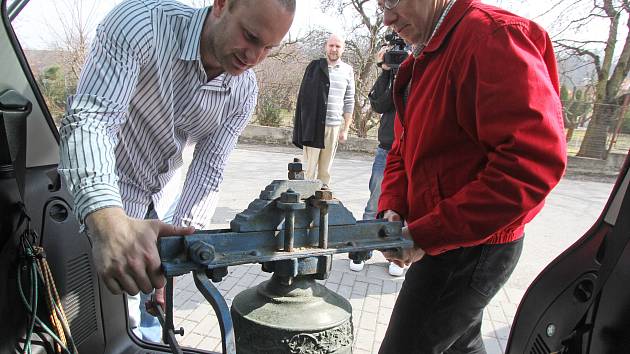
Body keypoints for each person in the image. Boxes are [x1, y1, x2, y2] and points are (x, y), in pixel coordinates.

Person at [57, 0, 295, 342]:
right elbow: (92, 121)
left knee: (148, 321)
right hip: (102, 193)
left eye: (268, 48)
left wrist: (183, 246)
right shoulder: (141, 25)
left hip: (160, 199)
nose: (254, 57)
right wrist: (106, 221)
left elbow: (209, 168)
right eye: (250, 36)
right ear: (221, 4)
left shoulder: (244, 91)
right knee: (103, 324)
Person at [376, 0, 567, 352]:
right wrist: (394, 206)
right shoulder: (428, 53)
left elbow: (530, 165)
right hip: (439, 237)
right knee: (459, 344)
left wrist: (427, 233)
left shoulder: (494, 38)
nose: (387, 19)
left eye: (393, 2)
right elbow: (403, 147)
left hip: (474, 249)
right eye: (380, 5)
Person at [349, 46, 404, 277]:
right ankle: (363, 249)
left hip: (410, 147)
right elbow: (379, 104)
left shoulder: (420, 72)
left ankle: (398, 255)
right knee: (375, 202)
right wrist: (387, 71)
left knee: (404, 205)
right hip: (386, 147)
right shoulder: (390, 74)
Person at [292, 33, 355, 187]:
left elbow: (349, 101)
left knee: (324, 172)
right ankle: (305, 203)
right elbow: (303, 99)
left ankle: (319, 208)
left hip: (333, 127)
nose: (334, 49)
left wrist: (345, 129)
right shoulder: (315, 67)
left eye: (338, 46)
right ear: (326, 46)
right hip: (313, 126)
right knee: (309, 170)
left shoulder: (347, 70)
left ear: (343, 49)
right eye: (331, 45)